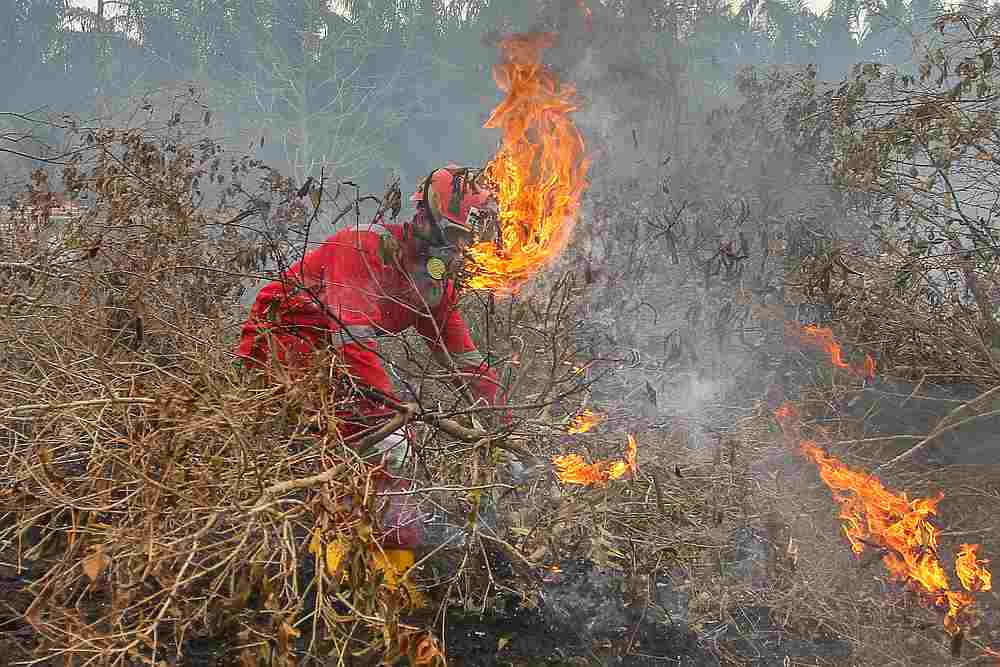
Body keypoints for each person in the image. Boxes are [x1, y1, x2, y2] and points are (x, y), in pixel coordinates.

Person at [236, 166, 506, 550]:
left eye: (467, 239)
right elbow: (352, 339)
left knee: (380, 447)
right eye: (457, 236)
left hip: (332, 358)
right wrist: (391, 418)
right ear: (428, 220)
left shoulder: (433, 286)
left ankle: (390, 550)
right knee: (378, 443)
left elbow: (466, 362)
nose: (461, 249)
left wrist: (505, 427)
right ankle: (335, 549)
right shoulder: (362, 248)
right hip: (283, 339)